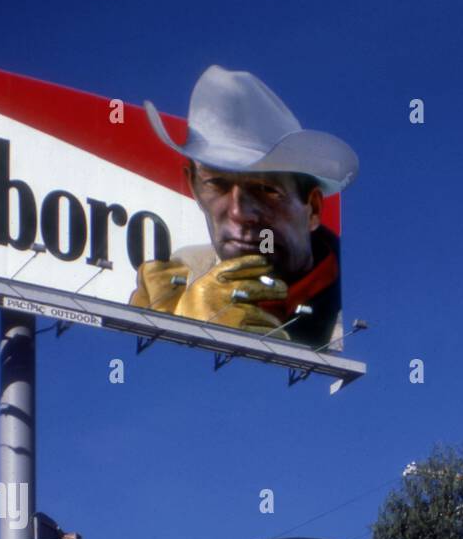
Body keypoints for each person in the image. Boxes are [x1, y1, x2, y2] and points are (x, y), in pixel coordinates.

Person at [130, 66, 358, 348]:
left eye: (266, 189)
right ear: (193, 186)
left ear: (312, 208)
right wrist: (169, 327)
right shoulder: (182, 271)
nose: (239, 212)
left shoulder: (347, 310)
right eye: (216, 183)